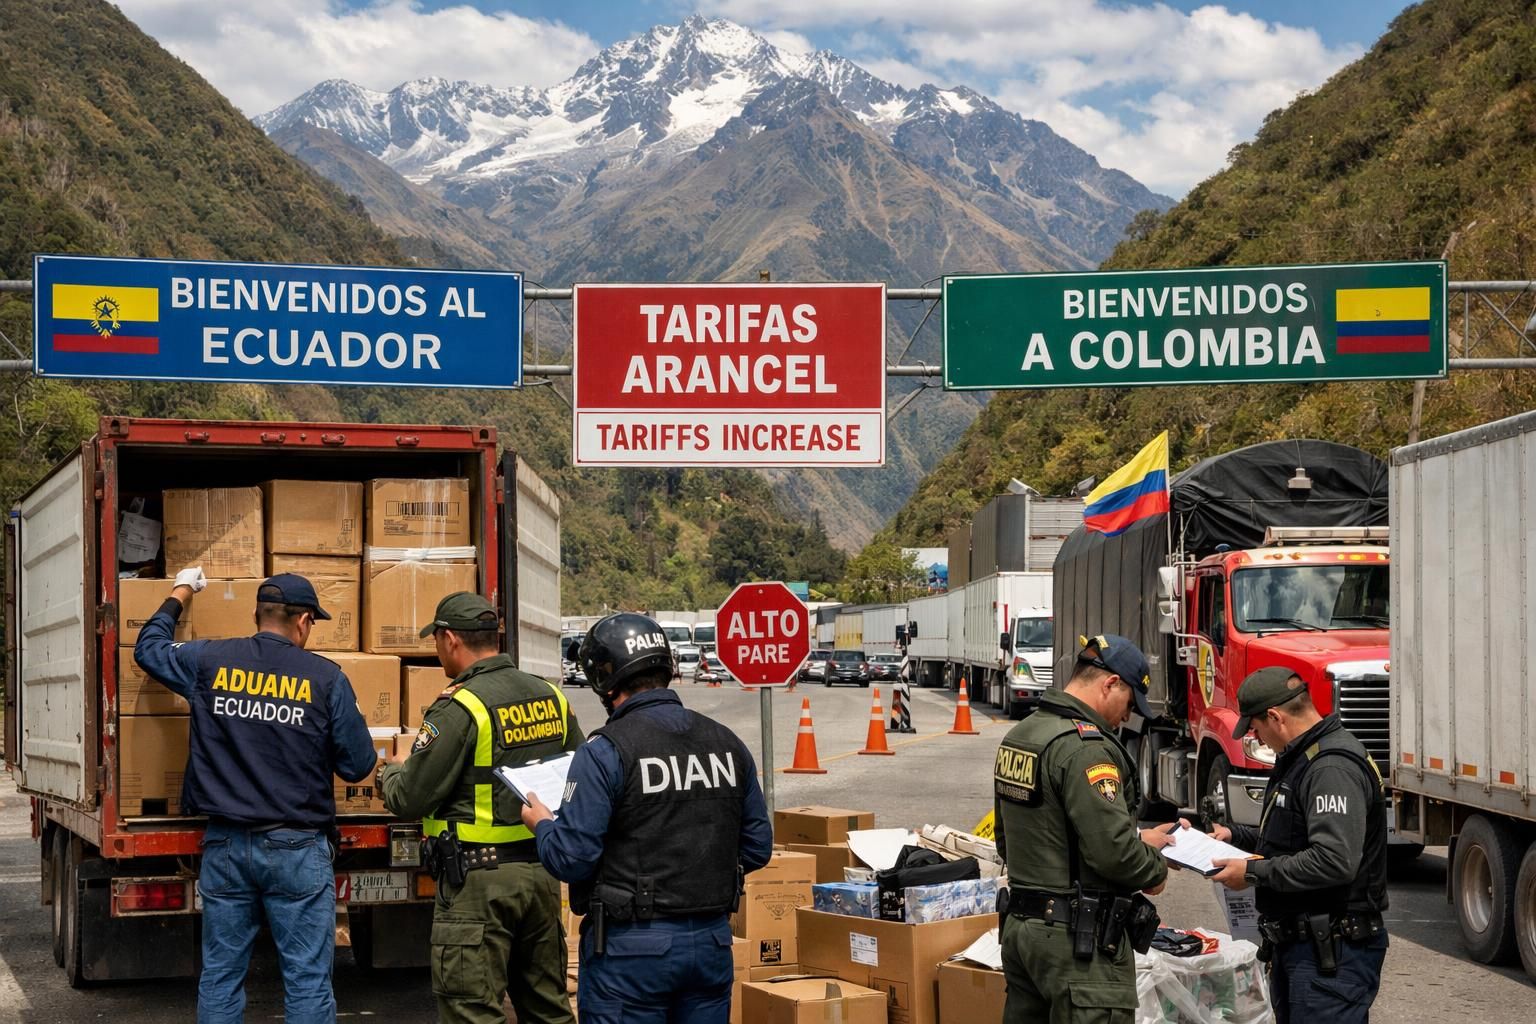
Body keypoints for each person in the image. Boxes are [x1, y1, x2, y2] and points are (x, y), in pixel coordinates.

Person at [134, 569, 377, 1024]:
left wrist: (180, 594)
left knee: (222, 975)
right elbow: (358, 765)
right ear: (304, 621)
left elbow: (147, 649)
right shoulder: (325, 679)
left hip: (225, 845)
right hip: (298, 849)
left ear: (257, 615)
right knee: (306, 980)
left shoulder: (210, 661)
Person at [520, 612, 774, 1023]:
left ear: (604, 679)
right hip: (710, 944)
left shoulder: (605, 751)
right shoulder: (728, 744)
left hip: (630, 952)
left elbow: (572, 858)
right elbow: (758, 848)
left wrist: (544, 825)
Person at [377, 592, 581, 1024]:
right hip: (542, 878)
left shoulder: (460, 706)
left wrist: (390, 773)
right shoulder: (551, 696)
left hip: (478, 885)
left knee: (473, 1013)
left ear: (450, 639)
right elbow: (579, 781)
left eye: (436, 640)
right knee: (549, 1009)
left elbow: (410, 797)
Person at [993, 633, 1178, 1024]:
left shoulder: (1021, 736)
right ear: (1110, 683)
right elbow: (1114, 854)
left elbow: (1016, 837)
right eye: (1130, 703)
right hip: (1077, 943)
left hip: (1022, 930)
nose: (1127, 716)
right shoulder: (1087, 748)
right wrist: (1155, 868)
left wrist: (1139, 837)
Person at [1208, 666, 1389, 1023]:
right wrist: (1235, 837)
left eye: (1256, 729)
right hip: (1307, 948)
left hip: (1330, 956)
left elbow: (1333, 860)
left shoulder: (1330, 767)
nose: (1257, 739)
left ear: (1275, 717)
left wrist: (1253, 872)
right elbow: (1292, 839)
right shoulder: (1304, 758)